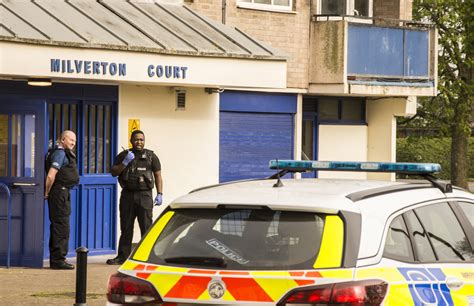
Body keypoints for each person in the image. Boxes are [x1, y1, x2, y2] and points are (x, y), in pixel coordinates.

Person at [106, 130, 163, 265]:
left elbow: (158, 175)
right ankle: (122, 257)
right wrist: (125, 163)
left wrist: (160, 193)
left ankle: (148, 257)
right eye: (136, 139)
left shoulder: (151, 157)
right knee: (126, 227)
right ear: (131, 141)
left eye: (142, 140)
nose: (139, 142)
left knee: (146, 227)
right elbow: (114, 173)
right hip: (128, 195)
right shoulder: (124, 155)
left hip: (145, 195)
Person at [44, 130, 80, 270]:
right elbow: (51, 175)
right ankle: (58, 260)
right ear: (63, 139)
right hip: (59, 194)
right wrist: (47, 192)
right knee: (61, 227)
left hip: (62, 193)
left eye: (74, 141)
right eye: (71, 140)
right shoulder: (59, 153)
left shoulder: (63, 153)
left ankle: (57, 259)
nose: (73, 143)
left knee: (60, 226)